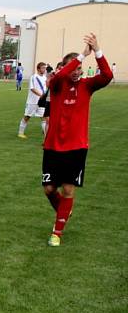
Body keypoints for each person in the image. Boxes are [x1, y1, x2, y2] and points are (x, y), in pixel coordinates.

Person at [42, 33, 113, 246]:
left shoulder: (87, 86)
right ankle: (64, 211)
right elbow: (59, 75)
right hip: (53, 146)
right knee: (49, 189)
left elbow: (107, 75)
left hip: (76, 147)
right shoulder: (56, 86)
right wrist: (82, 54)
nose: (77, 72)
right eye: (74, 68)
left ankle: (57, 232)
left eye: (79, 69)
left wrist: (97, 50)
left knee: (68, 189)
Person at [17, 62, 47, 139]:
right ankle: (20, 133)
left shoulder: (45, 78)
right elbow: (32, 88)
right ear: (38, 69)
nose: (44, 69)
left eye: (45, 68)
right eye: (43, 68)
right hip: (32, 101)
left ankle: (46, 136)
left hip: (42, 101)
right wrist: (41, 95)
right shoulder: (34, 77)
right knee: (27, 116)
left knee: (44, 117)